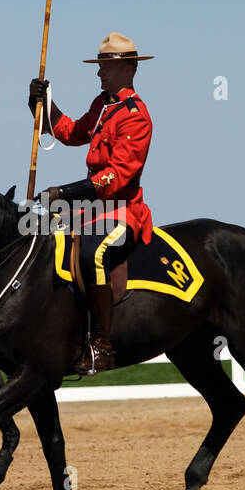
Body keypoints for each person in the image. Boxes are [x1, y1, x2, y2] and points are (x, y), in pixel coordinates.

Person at [30, 31, 154, 374]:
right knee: (33, 233)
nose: (99, 73)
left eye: (105, 68)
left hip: (123, 210)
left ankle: (102, 343)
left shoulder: (135, 114)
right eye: (99, 67)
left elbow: (119, 175)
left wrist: (66, 193)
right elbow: (71, 133)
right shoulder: (103, 106)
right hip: (89, 210)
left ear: (128, 69)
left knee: (90, 253)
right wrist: (42, 105)